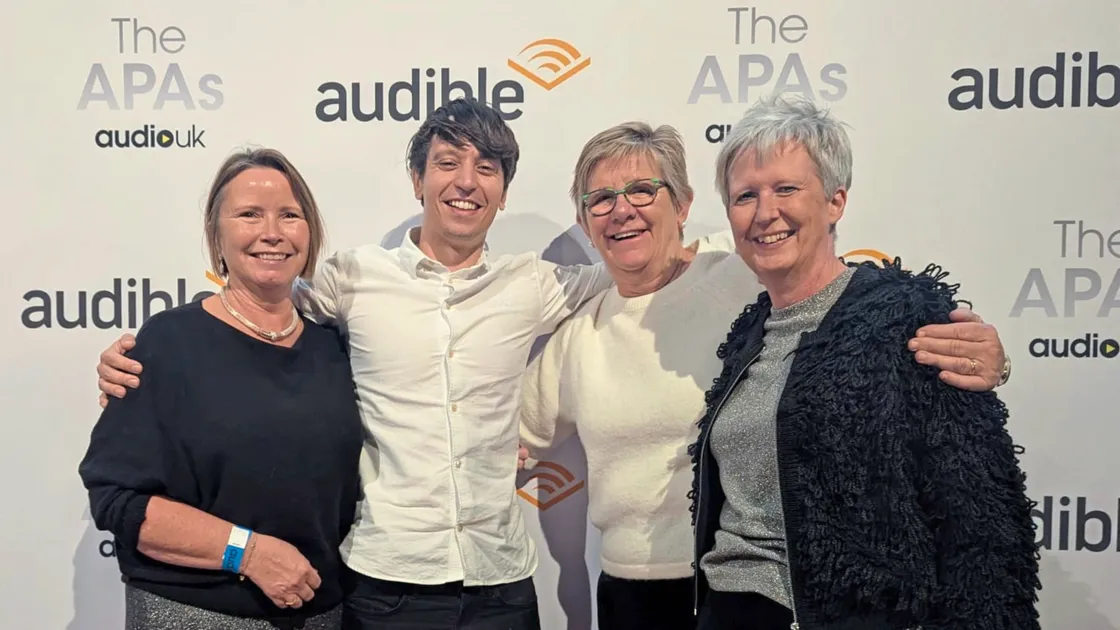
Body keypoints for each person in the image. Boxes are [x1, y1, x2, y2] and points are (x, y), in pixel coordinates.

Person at [93, 98, 613, 630]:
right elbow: (251, 302)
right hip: (387, 587)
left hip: (502, 581)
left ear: (503, 192)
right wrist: (146, 357)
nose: (467, 182)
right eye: (448, 163)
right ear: (417, 178)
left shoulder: (533, 283)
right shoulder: (353, 279)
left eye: (487, 168)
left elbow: (642, 268)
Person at [517, 123, 1012, 630]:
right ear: (584, 219)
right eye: (600, 199)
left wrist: (989, 358)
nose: (622, 210)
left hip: (735, 583)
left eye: (643, 190)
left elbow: (845, 301)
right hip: (634, 593)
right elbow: (508, 429)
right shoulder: (580, 332)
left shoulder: (741, 273)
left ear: (683, 204)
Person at [689, 95, 1040, 629]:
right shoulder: (748, 335)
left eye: (787, 188)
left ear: (835, 201)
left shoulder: (904, 317)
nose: (765, 213)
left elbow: (981, 518)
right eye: (745, 196)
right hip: (730, 610)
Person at [78, 148, 365, 630]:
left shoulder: (335, 346)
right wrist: (245, 552)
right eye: (249, 214)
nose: (271, 232)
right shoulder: (169, 343)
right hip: (194, 613)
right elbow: (117, 498)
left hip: (321, 614)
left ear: (309, 231)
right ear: (218, 236)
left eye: (289, 215)